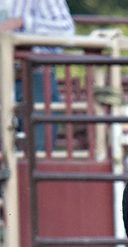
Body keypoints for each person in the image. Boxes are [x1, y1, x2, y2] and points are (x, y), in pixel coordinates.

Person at [2, 0, 75, 153]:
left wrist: (22, 22)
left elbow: (66, 30)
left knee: (38, 150)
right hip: (9, 77)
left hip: (33, 76)